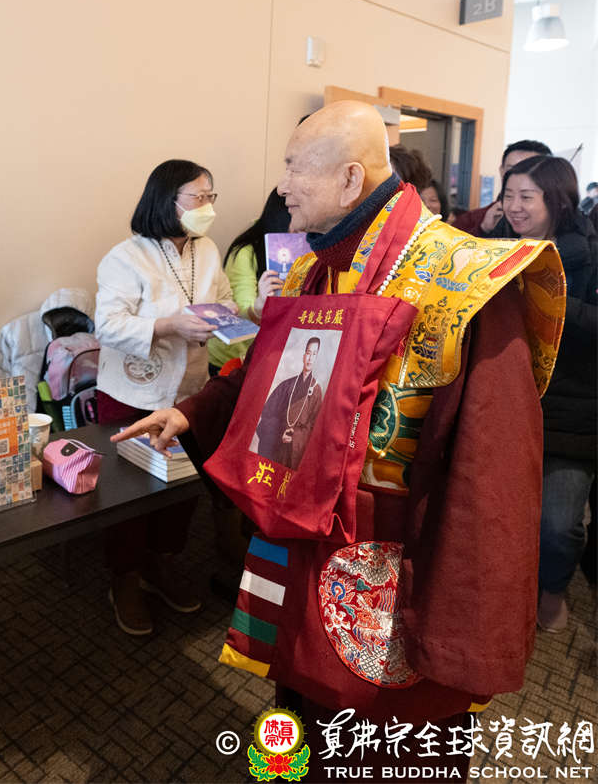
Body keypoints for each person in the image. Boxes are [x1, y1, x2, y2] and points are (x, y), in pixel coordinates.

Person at [113, 102, 564, 779]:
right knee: (303, 718)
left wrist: (468, 625)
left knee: (387, 748)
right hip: (304, 534)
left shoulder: (466, 279)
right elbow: (267, 371)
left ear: (351, 179)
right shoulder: (312, 271)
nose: (282, 185)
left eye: (294, 167)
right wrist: (191, 412)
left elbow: (495, 480)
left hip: (399, 565)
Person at [93, 159, 235, 634]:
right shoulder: (125, 257)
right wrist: (171, 325)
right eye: (199, 198)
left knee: (178, 487)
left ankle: (161, 563)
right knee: (129, 494)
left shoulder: (207, 249)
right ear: (166, 200)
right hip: (132, 394)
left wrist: (234, 314)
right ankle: (124, 578)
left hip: (188, 392)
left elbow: (224, 301)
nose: (207, 207)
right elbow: (107, 325)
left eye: (211, 197)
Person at [495, 155, 597, 632]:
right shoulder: (495, 249)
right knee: (496, 511)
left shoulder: (588, 255)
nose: (514, 206)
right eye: (508, 195)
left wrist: (545, 300)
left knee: (558, 525)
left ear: (557, 200)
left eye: (526, 197)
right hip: (505, 403)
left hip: (572, 415)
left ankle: (552, 592)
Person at [208, 189, 290, 373]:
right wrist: (261, 302)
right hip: (233, 355)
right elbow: (242, 309)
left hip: (272, 353)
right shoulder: (246, 252)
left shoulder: (308, 244)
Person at [449, 139, 551, 236]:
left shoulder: (557, 227)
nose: (518, 176)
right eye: (512, 169)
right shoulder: (472, 219)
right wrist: (483, 229)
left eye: (528, 170)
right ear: (501, 171)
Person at [252, 336, 323, 469]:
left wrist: (295, 436)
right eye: (308, 353)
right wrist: (280, 432)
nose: (310, 358)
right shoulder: (286, 385)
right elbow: (267, 415)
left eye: (314, 354)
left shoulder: (316, 391)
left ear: (317, 358)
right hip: (277, 447)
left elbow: (315, 428)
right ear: (304, 356)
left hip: (295, 452)